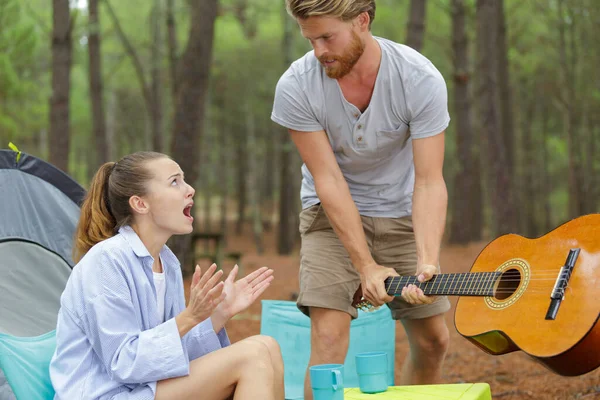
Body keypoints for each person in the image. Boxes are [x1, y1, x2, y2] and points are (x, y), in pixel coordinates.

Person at [271, 0, 452, 398]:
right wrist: (366, 266)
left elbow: (428, 181)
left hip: (403, 212)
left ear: (362, 21)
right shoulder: (296, 86)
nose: (319, 51)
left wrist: (427, 260)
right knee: (330, 338)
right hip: (328, 216)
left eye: (326, 37)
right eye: (310, 39)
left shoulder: (419, 78)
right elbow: (328, 180)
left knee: (434, 340)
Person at [49, 151, 284, 400]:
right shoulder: (106, 261)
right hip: (107, 394)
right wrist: (189, 318)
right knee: (253, 356)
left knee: (267, 346)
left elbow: (173, 356)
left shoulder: (167, 262)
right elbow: (123, 362)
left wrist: (217, 315)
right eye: (175, 182)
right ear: (140, 203)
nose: (190, 189)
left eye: (184, 180)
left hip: (144, 389)